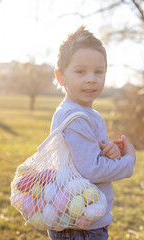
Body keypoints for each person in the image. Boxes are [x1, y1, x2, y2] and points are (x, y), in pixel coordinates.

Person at [48, 25, 136, 240]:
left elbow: (89, 157)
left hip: (84, 219)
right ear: (61, 77)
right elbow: (91, 171)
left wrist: (111, 151)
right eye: (80, 71)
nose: (91, 79)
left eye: (99, 72)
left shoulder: (87, 114)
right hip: (79, 226)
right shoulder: (74, 117)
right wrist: (128, 162)